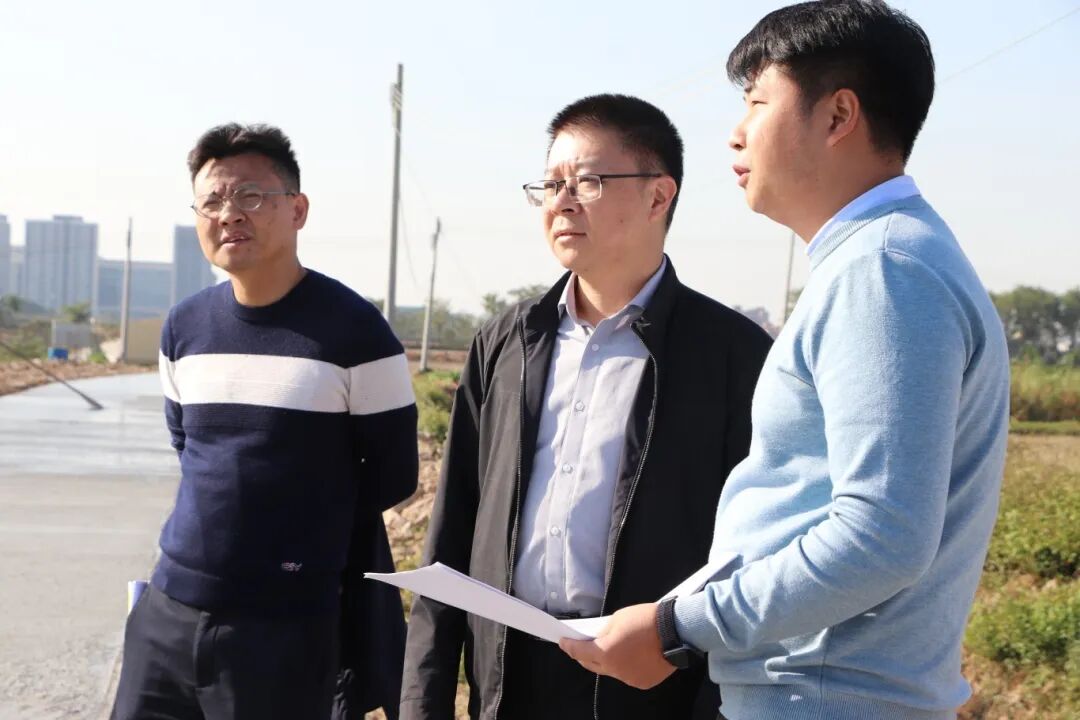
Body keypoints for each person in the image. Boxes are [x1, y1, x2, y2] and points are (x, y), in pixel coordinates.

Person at [558, 3, 1011, 719]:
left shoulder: (883, 269)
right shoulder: (884, 260)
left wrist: (678, 629)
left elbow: (882, 535)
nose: (736, 132)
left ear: (838, 116)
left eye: (757, 101)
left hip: (825, 697)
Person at [401, 94, 773, 720]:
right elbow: (453, 528)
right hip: (506, 676)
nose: (562, 201)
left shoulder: (733, 355)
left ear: (659, 196)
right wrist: (423, 700)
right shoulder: (507, 343)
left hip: (650, 684)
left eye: (588, 182)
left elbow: (753, 553)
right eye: (551, 185)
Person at [110, 123, 418, 720]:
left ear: (297, 210)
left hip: (284, 627)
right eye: (212, 201)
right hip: (168, 612)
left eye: (250, 196)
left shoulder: (356, 332)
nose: (229, 213)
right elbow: (191, 448)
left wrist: (295, 546)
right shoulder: (183, 328)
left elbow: (393, 475)